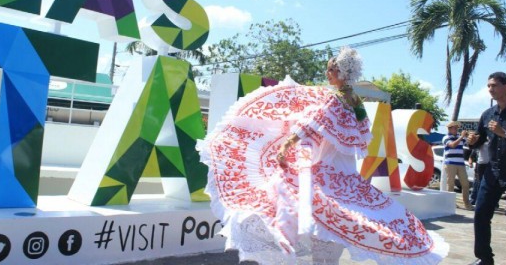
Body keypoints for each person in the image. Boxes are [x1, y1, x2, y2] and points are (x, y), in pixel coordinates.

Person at [198, 47, 448, 265]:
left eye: (330, 70)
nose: (327, 75)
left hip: (327, 172)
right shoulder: (356, 101)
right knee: (339, 224)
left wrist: (286, 145)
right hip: (348, 175)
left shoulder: (335, 99)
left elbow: (311, 124)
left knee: (291, 199)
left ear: (340, 73)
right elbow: (362, 136)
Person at [467, 72, 506, 265]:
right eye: (489, 86)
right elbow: (479, 139)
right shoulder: (487, 114)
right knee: (480, 213)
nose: (490, 89)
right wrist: (473, 141)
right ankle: (484, 258)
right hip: (493, 171)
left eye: (494, 85)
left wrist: (505, 133)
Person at [442, 121, 472, 209]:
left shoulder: (460, 138)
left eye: (457, 128)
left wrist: (470, 135)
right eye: (454, 128)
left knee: (466, 184)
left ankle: (467, 204)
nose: (456, 130)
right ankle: (450, 204)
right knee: (450, 184)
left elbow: (470, 143)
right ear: (450, 129)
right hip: (450, 163)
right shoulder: (446, 138)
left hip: (461, 164)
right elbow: (452, 145)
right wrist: (462, 136)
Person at [469, 131, 489, 206]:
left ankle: (484, 201)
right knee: (478, 183)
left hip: (489, 164)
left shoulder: (491, 141)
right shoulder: (480, 142)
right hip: (480, 164)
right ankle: (475, 200)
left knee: (487, 184)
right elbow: (472, 154)